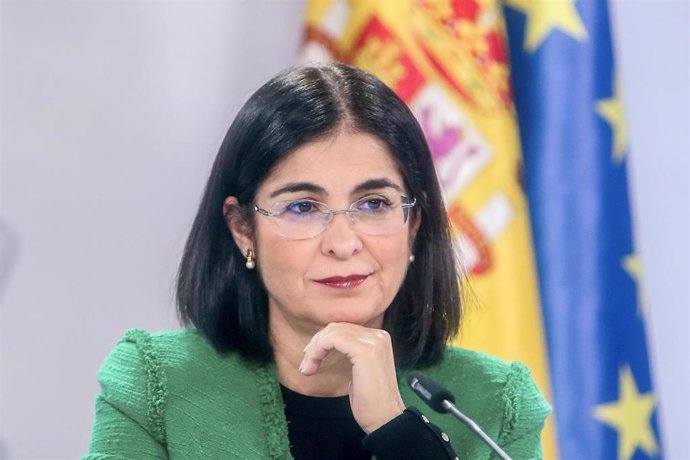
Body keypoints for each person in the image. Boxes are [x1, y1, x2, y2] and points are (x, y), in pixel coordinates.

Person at [84, 63, 550, 459]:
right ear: (243, 228)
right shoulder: (156, 384)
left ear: (413, 224)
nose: (343, 243)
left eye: (373, 203)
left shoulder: (494, 405)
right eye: (303, 207)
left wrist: (397, 431)